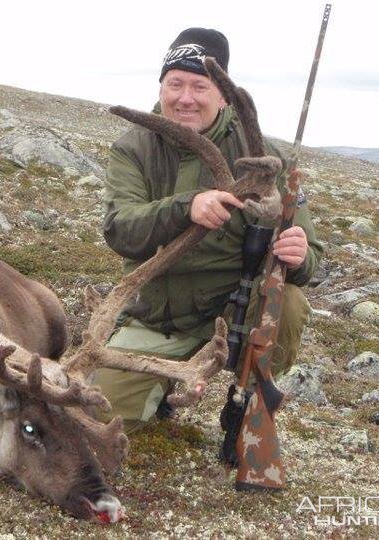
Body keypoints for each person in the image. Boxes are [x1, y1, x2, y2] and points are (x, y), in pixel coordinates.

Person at [93, 28, 324, 434]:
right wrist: (187, 206)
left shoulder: (265, 158)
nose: (185, 97)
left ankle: (250, 396)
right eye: (175, 84)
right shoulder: (133, 148)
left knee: (286, 299)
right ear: (161, 87)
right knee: (97, 418)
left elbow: (311, 256)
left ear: (223, 95)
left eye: (199, 86)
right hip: (157, 317)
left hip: (233, 314)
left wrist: (300, 254)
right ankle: (161, 384)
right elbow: (120, 230)